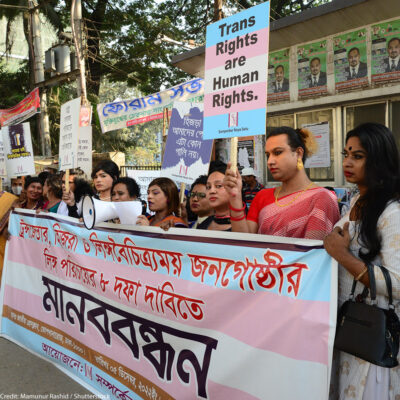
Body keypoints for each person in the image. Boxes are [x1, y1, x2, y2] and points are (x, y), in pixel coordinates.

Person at [324, 123, 400, 399]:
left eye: (358, 156)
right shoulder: (356, 201)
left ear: (379, 159)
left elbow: (397, 284)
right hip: (348, 333)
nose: (347, 162)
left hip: (372, 339)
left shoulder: (392, 212)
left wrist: (342, 256)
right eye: (346, 154)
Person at [224, 127, 340, 239]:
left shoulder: (322, 198)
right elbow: (244, 242)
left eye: (278, 152)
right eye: (268, 155)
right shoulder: (262, 196)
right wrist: (235, 197)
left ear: (299, 153)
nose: (270, 161)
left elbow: (313, 254)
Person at [197, 162, 231, 231]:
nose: (212, 191)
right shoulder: (202, 227)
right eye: (208, 187)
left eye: (219, 186)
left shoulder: (245, 228)